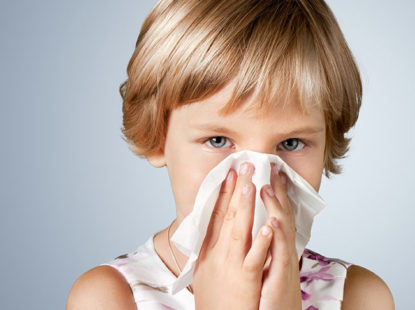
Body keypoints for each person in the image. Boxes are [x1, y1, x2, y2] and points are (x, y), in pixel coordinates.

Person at [66, 0, 394, 309]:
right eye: (219, 140)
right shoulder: (110, 298)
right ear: (158, 138)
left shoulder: (358, 298)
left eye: (291, 143)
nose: (257, 179)